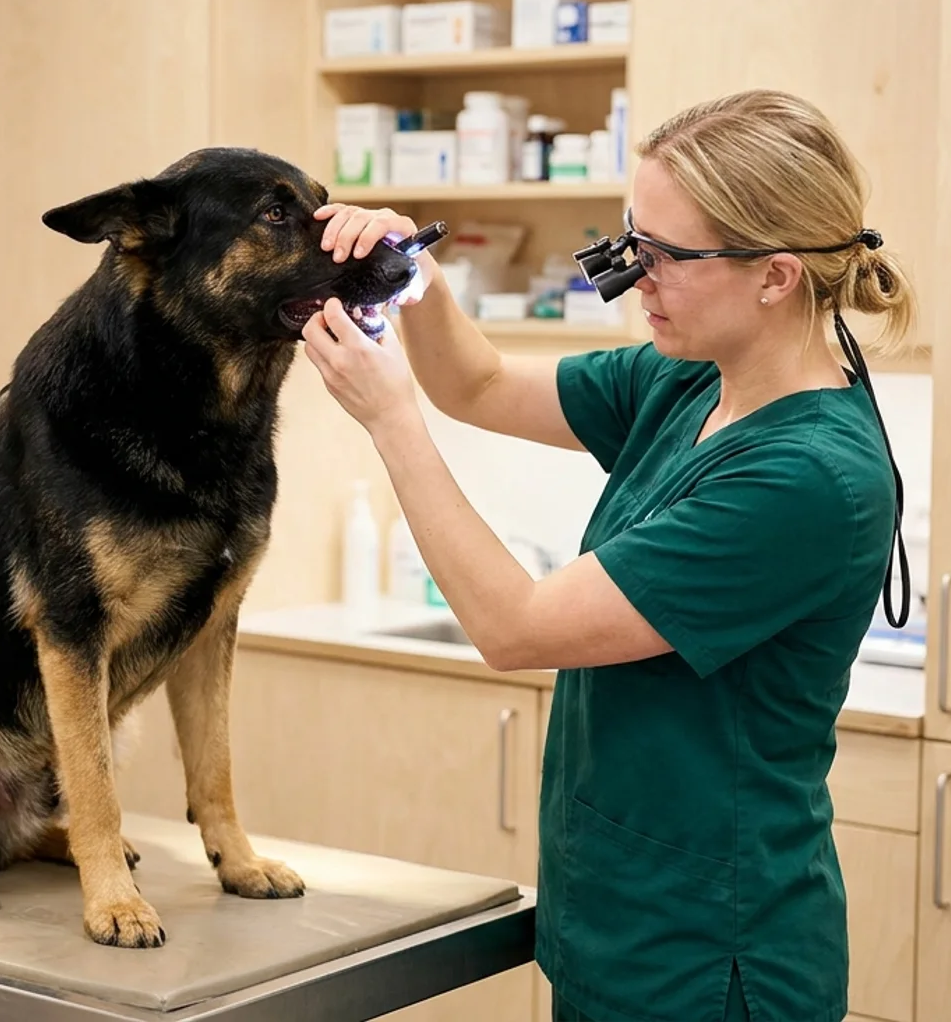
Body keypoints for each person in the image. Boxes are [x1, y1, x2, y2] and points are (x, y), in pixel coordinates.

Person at [298, 88, 917, 1022]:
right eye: (633, 241)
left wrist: (391, 421)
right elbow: (480, 383)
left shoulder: (807, 478)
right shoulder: (688, 380)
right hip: (616, 925)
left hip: (712, 961)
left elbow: (514, 629)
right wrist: (412, 278)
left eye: (664, 257)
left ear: (776, 275)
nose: (636, 280)